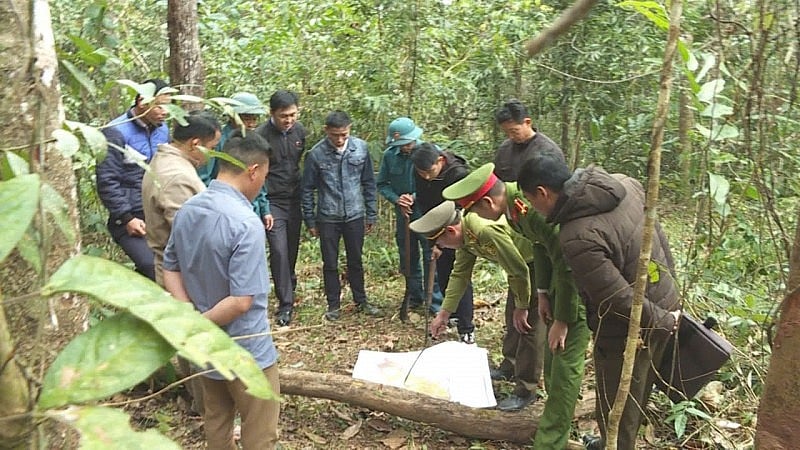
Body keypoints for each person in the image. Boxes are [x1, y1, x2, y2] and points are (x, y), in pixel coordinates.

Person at [517, 154, 681, 450]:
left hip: (630, 326)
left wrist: (663, 320)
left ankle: (615, 444)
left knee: (617, 403)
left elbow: (617, 297)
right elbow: (658, 237)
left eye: (531, 200)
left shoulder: (577, 235)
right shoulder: (625, 184)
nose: (532, 208)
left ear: (543, 192)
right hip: (662, 302)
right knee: (638, 389)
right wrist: (670, 304)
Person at [444, 162, 589, 448]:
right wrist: (544, 291)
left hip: (580, 286)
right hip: (558, 283)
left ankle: (550, 441)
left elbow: (565, 257)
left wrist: (563, 318)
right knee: (553, 361)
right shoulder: (513, 209)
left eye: (473, 211)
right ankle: (559, 418)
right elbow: (540, 245)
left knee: (563, 372)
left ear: (487, 201)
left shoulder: (527, 205)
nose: (474, 218)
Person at [162, 131, 280, 449]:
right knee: (259, 432)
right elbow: (241, 301)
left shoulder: (190, 209)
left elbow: (169, 266)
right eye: (264, 177)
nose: (262, 186)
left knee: (217, 424)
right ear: (253, 171)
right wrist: (199, 323)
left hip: (206, 350)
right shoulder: (245, 223)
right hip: (247, 351)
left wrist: (190, 317)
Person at [410, 198, 544, 411]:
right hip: (519, 267)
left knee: (528, 325)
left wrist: (523, 305)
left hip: (537, 262)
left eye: (441, 243)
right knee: (513, 318)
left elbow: (519, 270)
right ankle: (510, 365)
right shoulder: (467, 236)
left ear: (451, 231)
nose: (441, 248)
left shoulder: (483, 229)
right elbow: (460, 274)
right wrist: (444, 313)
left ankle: (526, 390)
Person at [301, 110, 381, 321]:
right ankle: (333, 304)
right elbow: (307, 189)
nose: (339, 139)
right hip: (328, 216)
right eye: (335, 135)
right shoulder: (316, 154)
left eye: (344, 134)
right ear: (326, 131)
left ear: (349, 130)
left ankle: (361, 300)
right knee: (330, 263)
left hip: (355, 214)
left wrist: (371, 214)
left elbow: (369, 183)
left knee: (356, 260)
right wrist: (309, 220)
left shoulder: (360, 148)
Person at [97, 78, 171, 281]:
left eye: (168, 106)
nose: (166, 112)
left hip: (159, 211)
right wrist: (127, 218)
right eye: (161, 106)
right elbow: (107, 180)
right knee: (151, 266)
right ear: (142, 102)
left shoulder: (163, 130)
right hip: (130, 215)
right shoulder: (115, 132)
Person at [143, 110, 221, 286]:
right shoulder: (177, 177)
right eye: (212, 148)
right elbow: (190, 237)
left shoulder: (166, 161)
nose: (212, 155)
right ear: (195, 144)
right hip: (181, 279)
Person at [410, 143, 476, 344]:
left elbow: (463, 207)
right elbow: (423, 202)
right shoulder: (419, 172)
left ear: (440, 160)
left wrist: (442, 241)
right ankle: (452, 314)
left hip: (458, 230)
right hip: (437, 229)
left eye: (430, 172)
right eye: (422, 173)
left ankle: (467, 328)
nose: (426, 177)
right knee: (444, 273)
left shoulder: (458, 174)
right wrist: (433, 240)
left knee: (460, 275)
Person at [376, 118, 442, 315]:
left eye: (407, 144)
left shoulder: (430, 152)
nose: (405, 148)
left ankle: (435, 302)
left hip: (427, 213)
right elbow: (382, 184)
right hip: (403, 215)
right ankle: (414, 296)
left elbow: (436, 181)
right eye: (400, 145)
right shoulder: (389, 156)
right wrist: (398, 200)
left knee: (431, 255)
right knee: (408, 256)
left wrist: (413, 197)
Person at [255, 90, 308, 326]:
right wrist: (263, 207)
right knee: (278, 250)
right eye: (283, 115)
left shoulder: (300, 132)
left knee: (291, 249)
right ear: (272, 113)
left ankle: (289, 284)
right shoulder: (260, 137)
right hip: (272, 200)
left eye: (293, 114)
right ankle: (285, 304)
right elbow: (257, 175)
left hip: (294, 198)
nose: (288, 120)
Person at [493, 99, 564, 182]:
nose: (510, 136)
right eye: (506, 132)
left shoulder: (548, 150)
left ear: (527, 122)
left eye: (514, 131)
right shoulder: (504, 149)